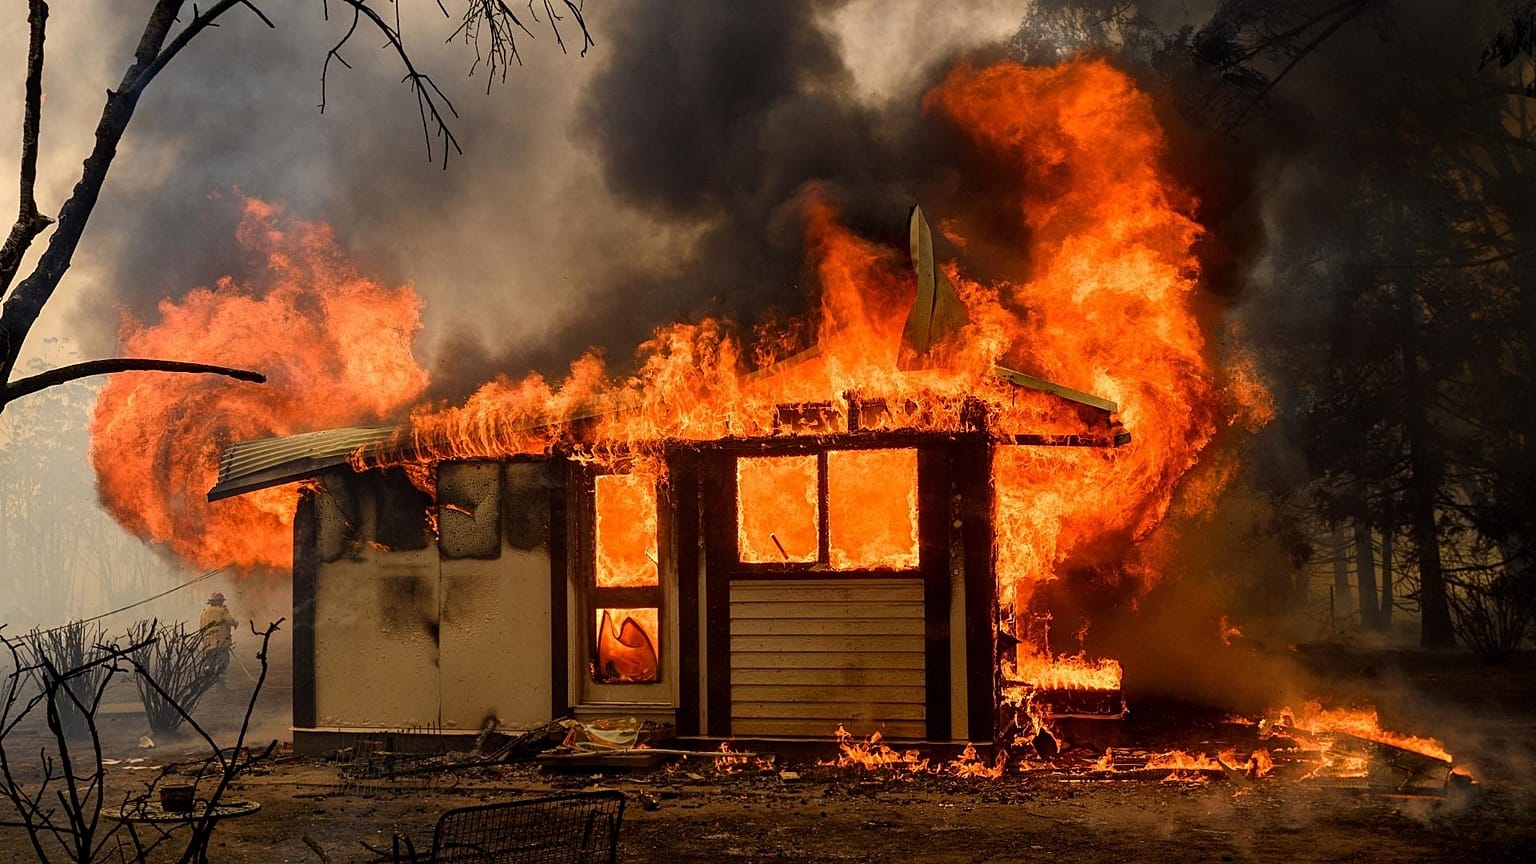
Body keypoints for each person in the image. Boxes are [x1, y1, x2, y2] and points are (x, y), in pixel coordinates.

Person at [199, 592, 236, 684]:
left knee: (209, 662)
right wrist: (236, 624)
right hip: (220, 643)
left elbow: (201, 628)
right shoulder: (222, 611)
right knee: (223, 661)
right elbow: (231, 621)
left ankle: (206, 682)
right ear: (220, 602)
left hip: (207, 644)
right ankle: (220, 684)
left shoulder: (204, 612)